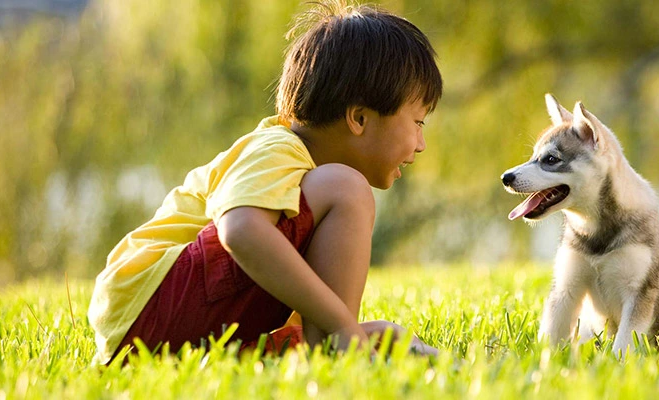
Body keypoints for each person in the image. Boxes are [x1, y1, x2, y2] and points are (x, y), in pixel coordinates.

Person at [87, 0, 443, 365]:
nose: (420, 143)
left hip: (154, 333)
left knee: (374, 331)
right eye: (417, 123)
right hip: (151, 307)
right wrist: (342, 326)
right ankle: (337, 347)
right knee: (348, 188)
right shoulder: (280, 147)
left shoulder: (304, 190)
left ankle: (328, 351)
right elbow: (240, 230)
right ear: (359, 117)